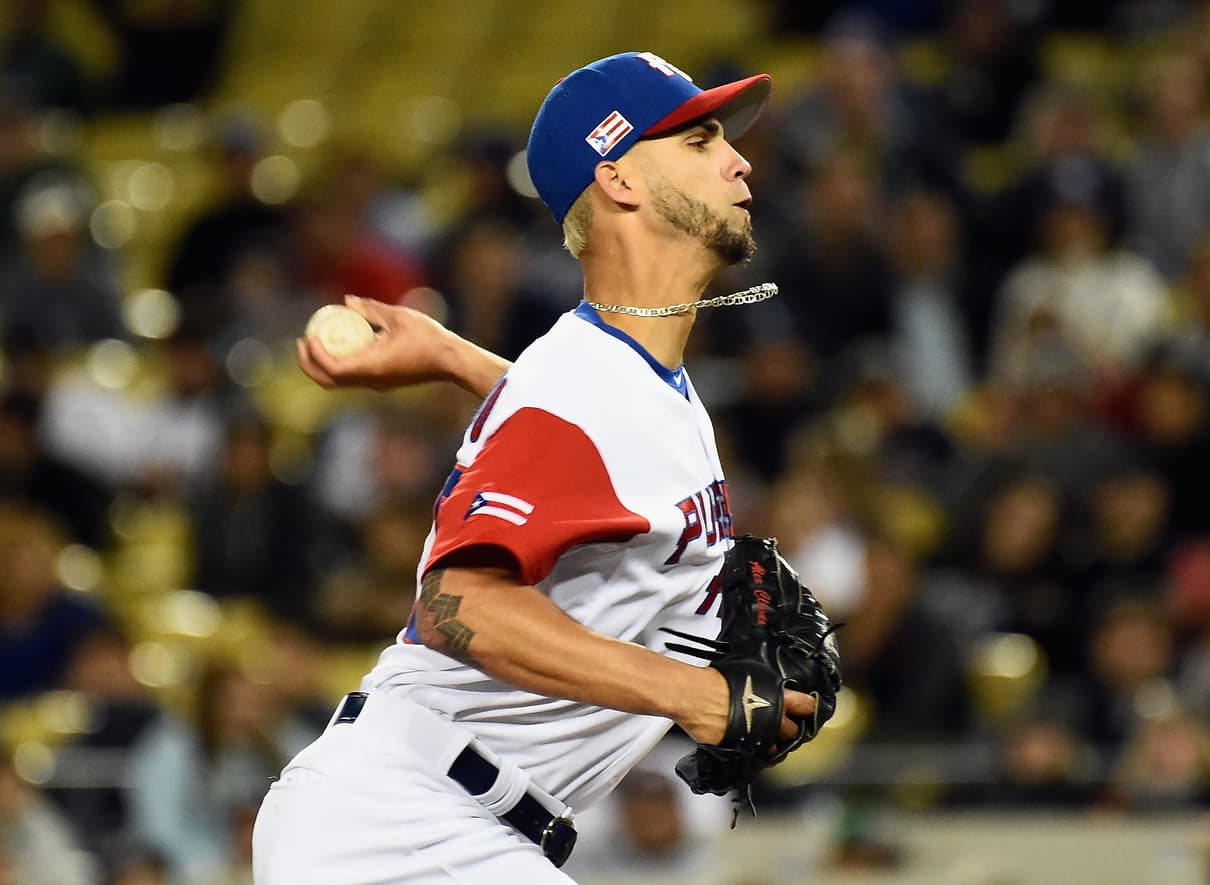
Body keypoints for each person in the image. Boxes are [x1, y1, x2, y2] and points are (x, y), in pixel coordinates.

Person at [253, 51, 818, 884]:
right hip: (404, 823)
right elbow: (459, 605)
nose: (738, 160)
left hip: (433, 817)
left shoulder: (625, 381)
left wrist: (455, 358)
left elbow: (589, 430)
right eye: (699, 141)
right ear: (619, 179)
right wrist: (687, 692)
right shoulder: (586, 383)